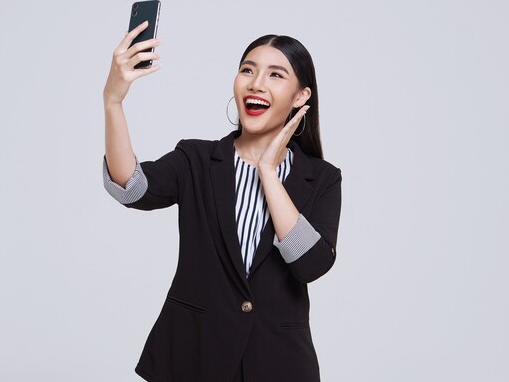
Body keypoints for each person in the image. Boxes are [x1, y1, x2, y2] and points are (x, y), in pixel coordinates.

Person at [102, 20, 342, 382]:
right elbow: (131, 187)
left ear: (300, 97)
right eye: (248, 69)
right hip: (192, 357)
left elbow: (310, 264)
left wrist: (268, 172)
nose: (256, 83)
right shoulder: (196, 160)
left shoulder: (321, 178)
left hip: (278, 365)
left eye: (276, 75)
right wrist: (113, 100)